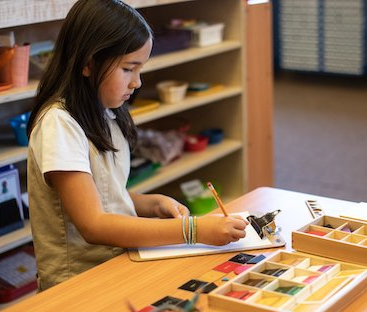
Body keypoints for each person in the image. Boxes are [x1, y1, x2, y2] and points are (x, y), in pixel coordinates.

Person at [26, 0, 248, 291]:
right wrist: (192, 230)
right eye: (128, 69)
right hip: (79, 280)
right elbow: (92, 224)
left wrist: (147, 202)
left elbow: (100, 191)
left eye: (140, 69)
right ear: (88, 63)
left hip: (119, 262)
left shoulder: (104, 110)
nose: (137, 83)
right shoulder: (58, 123)